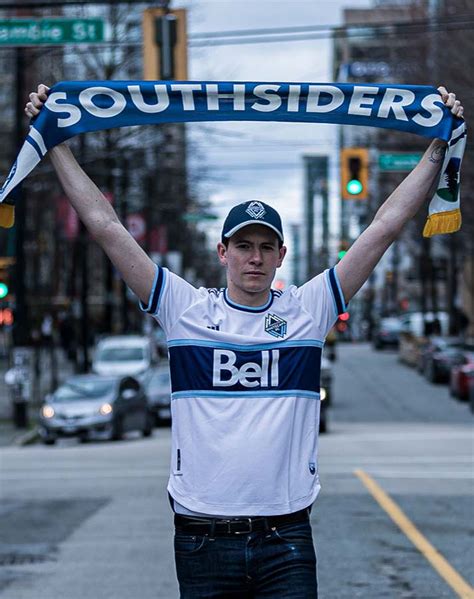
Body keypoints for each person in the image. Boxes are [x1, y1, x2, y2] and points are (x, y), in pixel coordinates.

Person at [25, 84, 463, 598]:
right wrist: (54, 141)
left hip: (287, 538)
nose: (253, 257)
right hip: (201, 539)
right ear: (222, 252)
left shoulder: (308, 309)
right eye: (243, 246)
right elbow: (106, 226)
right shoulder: (185, 310)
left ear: (281, 255)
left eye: (264, 247)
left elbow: (384, 227)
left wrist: (438, 145)